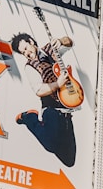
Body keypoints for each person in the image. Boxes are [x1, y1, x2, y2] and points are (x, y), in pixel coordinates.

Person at [11, 31, 77, 167]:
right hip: (51, 109)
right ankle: (30, 118)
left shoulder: (50, 49)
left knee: (69, 160)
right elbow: (39, 90)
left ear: (31, 41)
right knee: (50, 144)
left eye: (26, 49)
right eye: (23, 53)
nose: (27, 54)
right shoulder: (29, 67)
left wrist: (61, 40)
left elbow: (70, 42)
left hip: (66, 112)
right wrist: (57, 84)